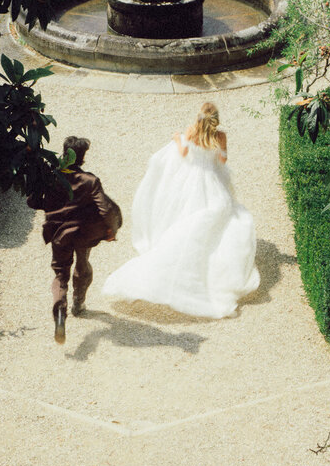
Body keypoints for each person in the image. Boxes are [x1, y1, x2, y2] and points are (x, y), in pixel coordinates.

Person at [101, 103, 259, 318]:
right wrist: (215, 151)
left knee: (184, 215)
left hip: (192, 180)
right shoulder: (220, 136)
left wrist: (177, 138)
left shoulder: (191, 132)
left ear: (198, 118)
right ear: (216, 120)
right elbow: (223, 160)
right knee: (219, 217)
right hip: (212, 180)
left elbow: (184, 153)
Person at [29, 136, 122, 344]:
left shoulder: (52, 177)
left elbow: (33, 201)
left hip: (58, 233)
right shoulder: (90, 181)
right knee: (83, 264)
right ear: (82, 157)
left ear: (64, 153)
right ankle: (78, 303)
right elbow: (105, 208)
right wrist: (111, 229)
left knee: (61, 274)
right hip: (83, 232)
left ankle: (60, 313)